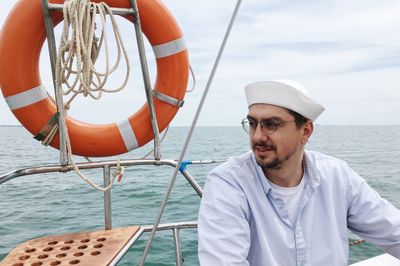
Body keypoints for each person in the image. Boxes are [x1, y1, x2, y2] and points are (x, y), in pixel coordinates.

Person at [198, 80, 400, 266]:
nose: (258, 136)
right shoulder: (228, 183)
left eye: (271, 124)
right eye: (252, 124)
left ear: (306, 131)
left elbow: (393, 231)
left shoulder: (337, 175)